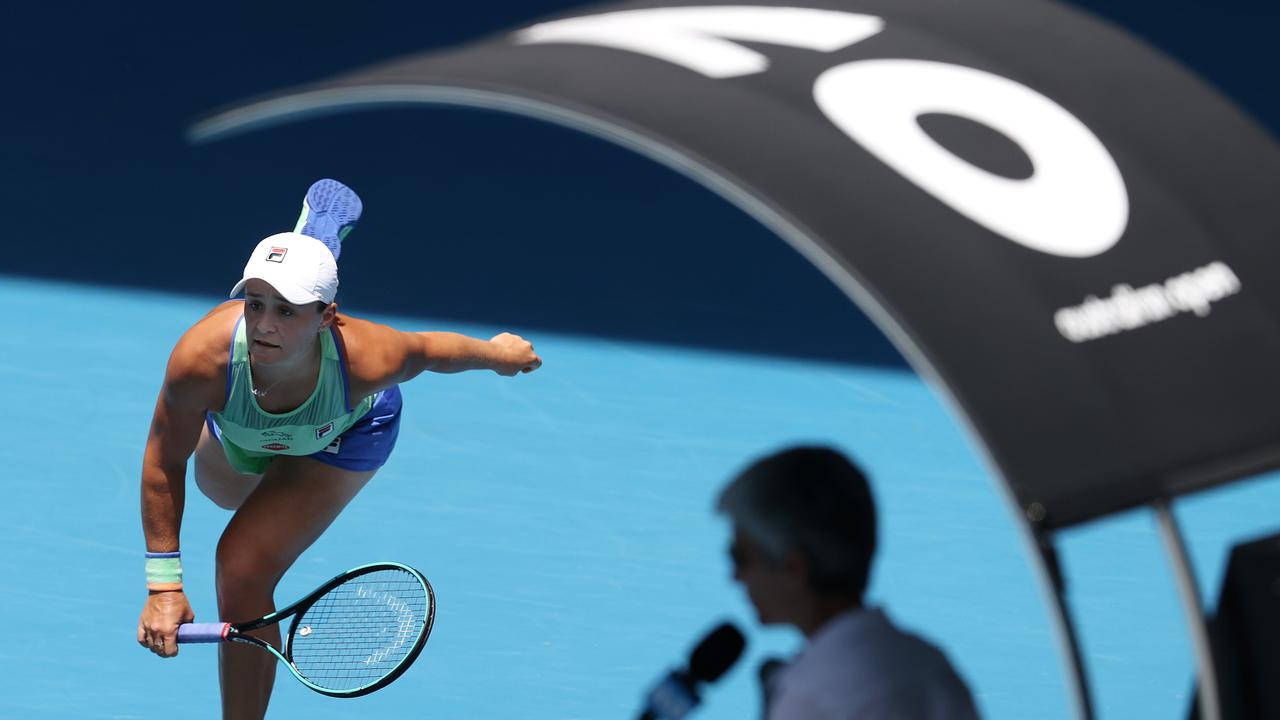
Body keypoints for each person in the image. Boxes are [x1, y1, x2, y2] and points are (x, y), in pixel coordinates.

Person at [136, 179, 542, 719]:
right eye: (255, 304)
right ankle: (316, 236)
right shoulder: (201, 360)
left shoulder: (369, 358)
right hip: (241, 427)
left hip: (342, 434)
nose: (263, 325)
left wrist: (497, 354)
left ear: (328, 316)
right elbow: (164, 461)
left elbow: (435, 350)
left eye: (287, 310)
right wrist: (163, 587)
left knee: (241, 567)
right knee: (226, 494)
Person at [717, 446, 979, 720]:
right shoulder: (931, 665)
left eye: (740, 558)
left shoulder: (811, 698)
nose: (735, 577)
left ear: (795, 568)